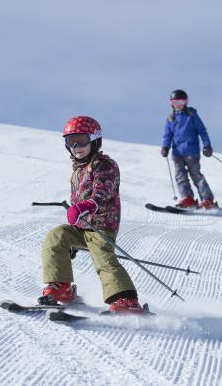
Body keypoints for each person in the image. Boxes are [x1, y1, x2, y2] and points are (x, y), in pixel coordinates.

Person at [39, 116, 144, 314]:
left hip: (102, 225)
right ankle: (62, 288)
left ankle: (126, 299)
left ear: (95, 140)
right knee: (56, 235)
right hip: (82, 227)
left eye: (82, 140)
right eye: (71, 141)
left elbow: (102, 192)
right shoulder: (77, 171)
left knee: (102, 256)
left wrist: (85, 206)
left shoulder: (104, 165)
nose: (76, 146)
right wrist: (75, 210)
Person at [161, 89, 217, 209]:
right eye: (175, 103)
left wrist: (207, 145)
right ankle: (188, 198)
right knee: (180, 176)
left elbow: (202, 130)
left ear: (186, 102)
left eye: (181, 103)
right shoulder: (171, 118)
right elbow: (167, 135)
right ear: (171, 104)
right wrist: (165, 147)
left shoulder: (191, 115)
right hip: (177, 153)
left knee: (196, 174)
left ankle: (207, 199)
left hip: (191, 150)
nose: (178, 106)